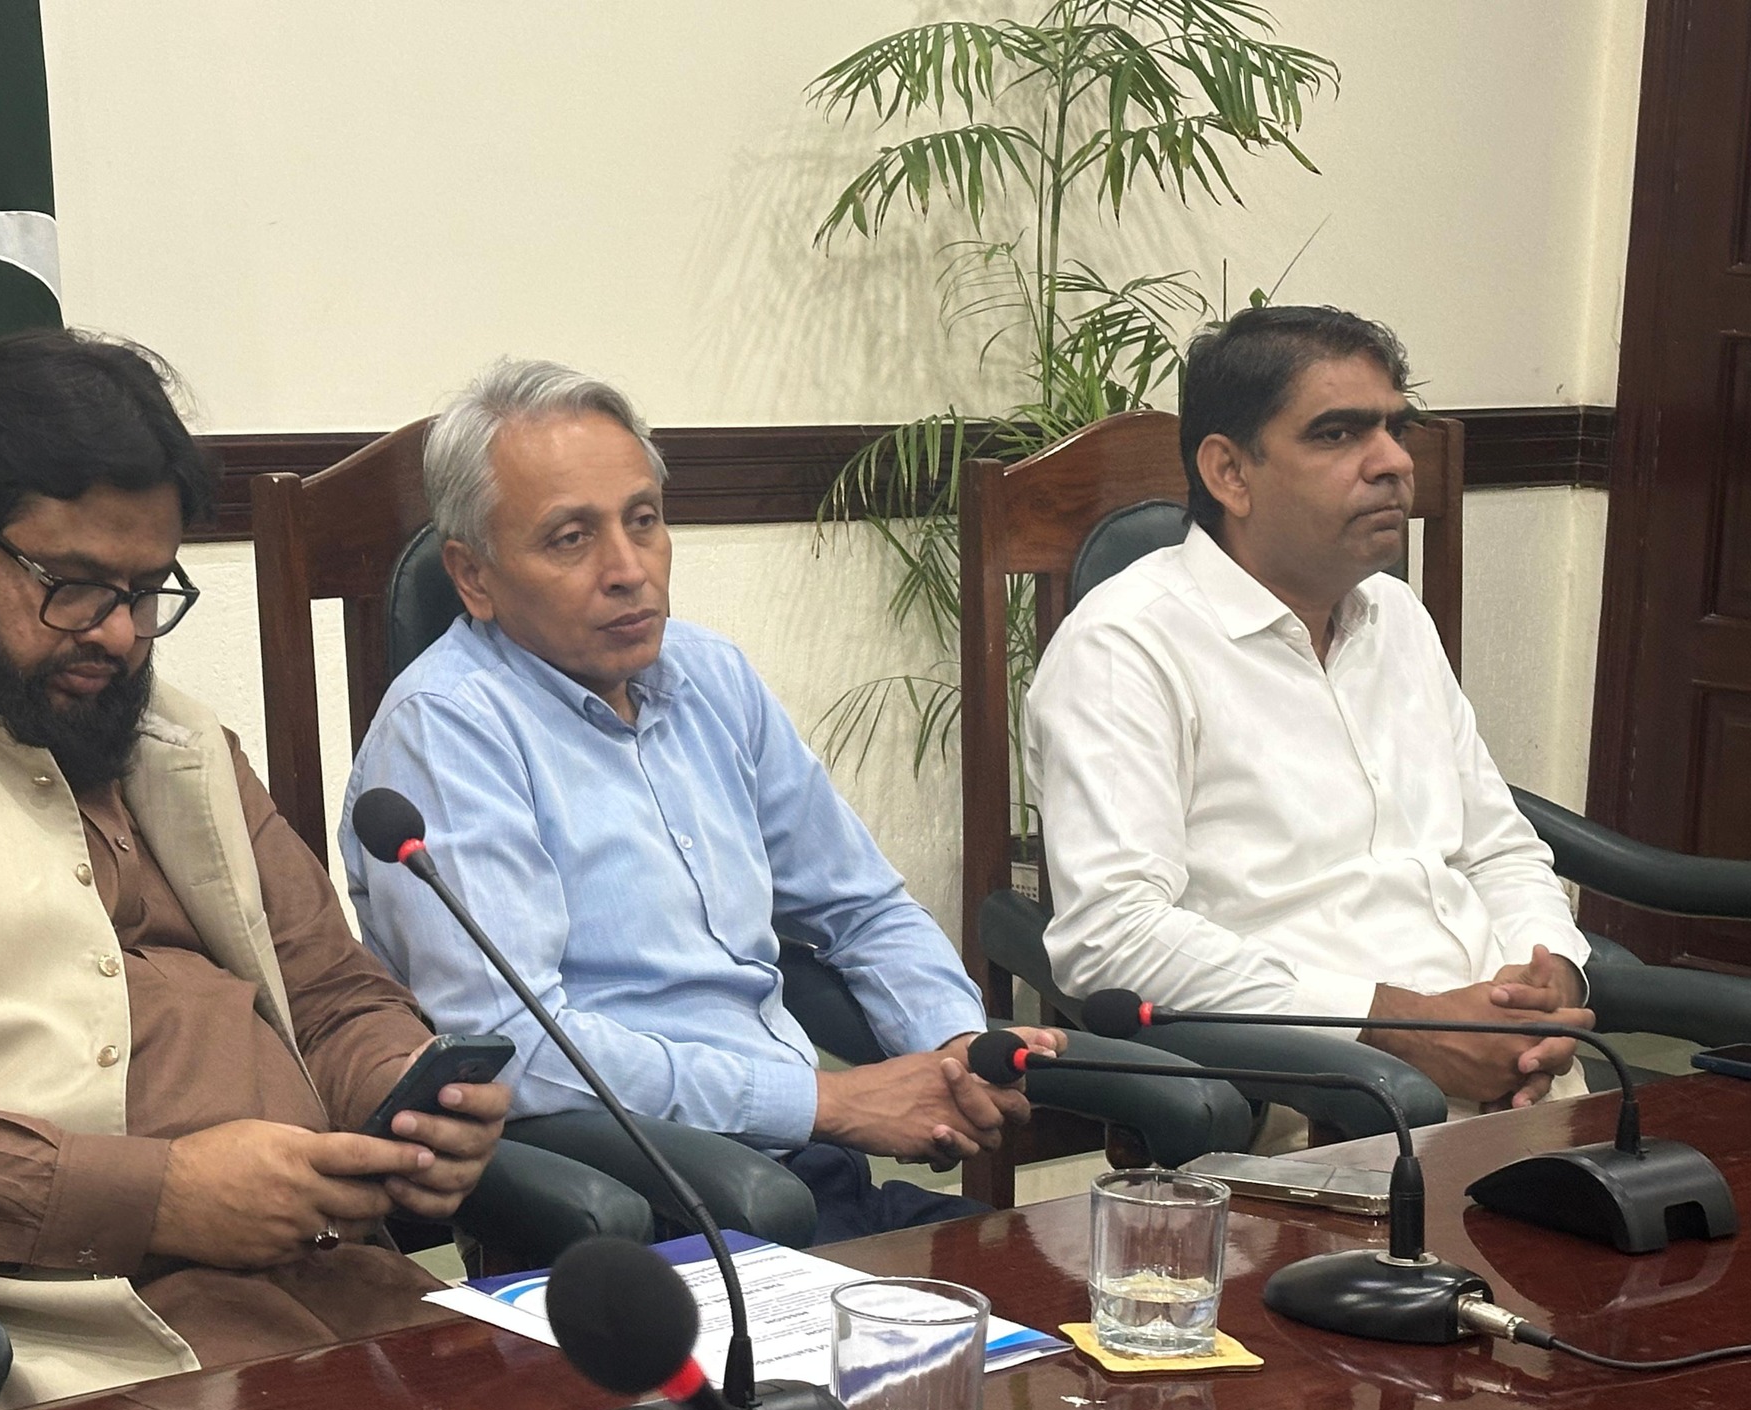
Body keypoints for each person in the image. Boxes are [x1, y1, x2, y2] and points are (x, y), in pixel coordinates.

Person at [0, 330, 508, 1410]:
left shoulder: (171, 735)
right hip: (65, 1329)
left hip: (335, 1276)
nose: (123, 635)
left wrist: (404, 1095)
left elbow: (328, 990)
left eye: (147, 589)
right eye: (76, 587)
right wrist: (158, 1197)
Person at [341, 358, 1059, 1242]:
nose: (628, 569)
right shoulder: (446, 730)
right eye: (571, 538)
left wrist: (955, 1048)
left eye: (643, 520)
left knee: (1071, 1299)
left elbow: (863, 907)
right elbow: (514, 1044)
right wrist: (826, 1102)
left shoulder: (711, 676)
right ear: (474, 577)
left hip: (813, 1181)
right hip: (656, 1219)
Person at [1025, 305, 1594, 1116]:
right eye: (1338, 434)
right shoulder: (1126, 646)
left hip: (1525, 1075)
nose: (1394, 461)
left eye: (1396, 428)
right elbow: (1112, 936)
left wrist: (1549, 980)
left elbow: (1497, 849)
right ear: (1230, 473)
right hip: (1318, 1100)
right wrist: (1399, 1028)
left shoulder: (1397, 618)